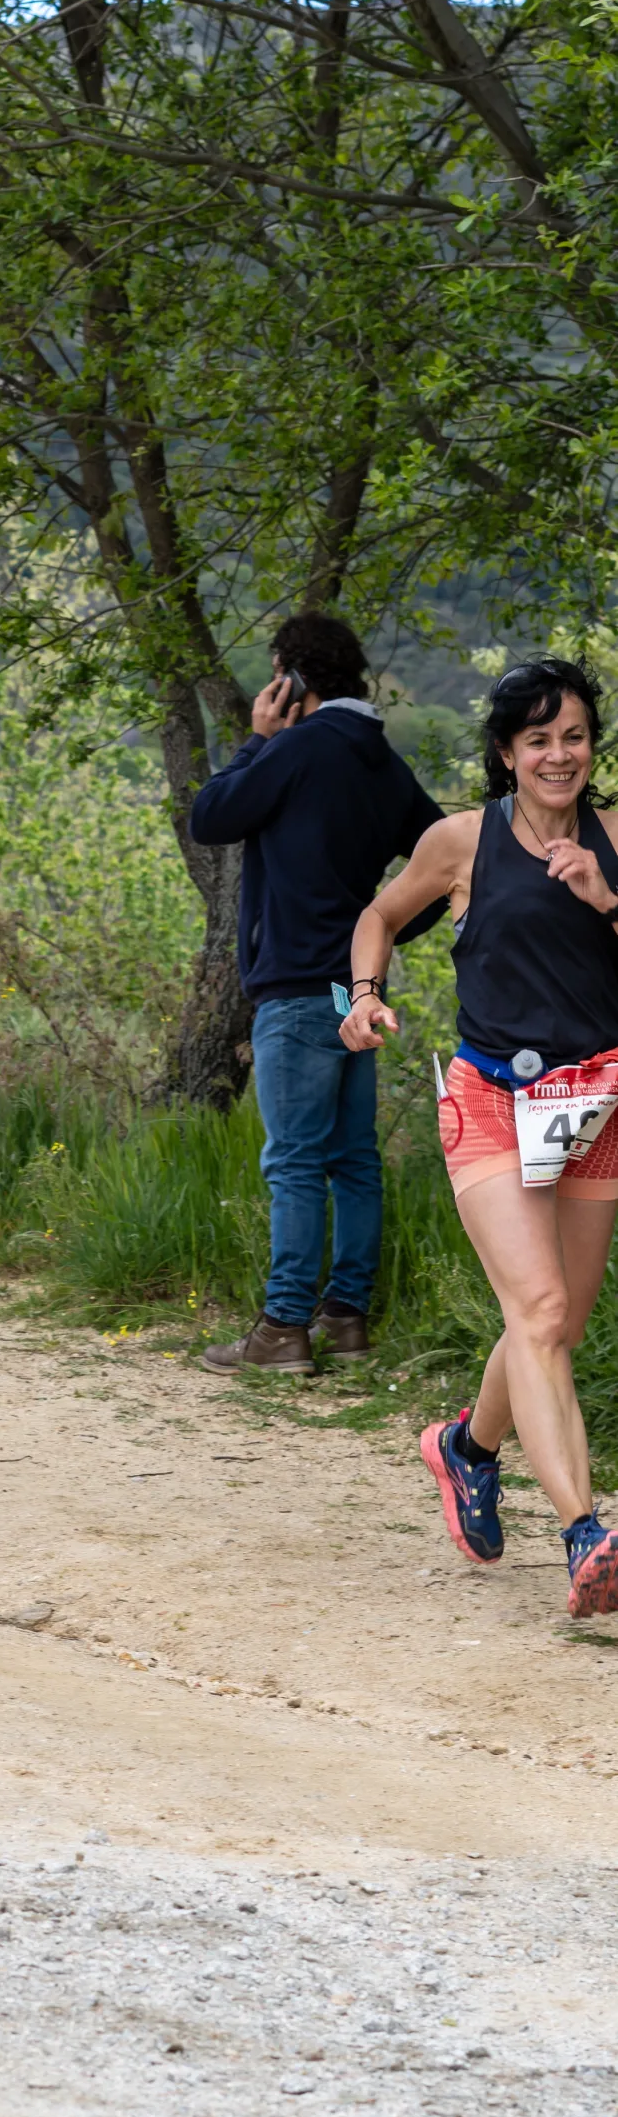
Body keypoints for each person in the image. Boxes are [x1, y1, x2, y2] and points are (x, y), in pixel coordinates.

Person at [341, 657, 618, 1615]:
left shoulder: (616, 838)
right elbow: (377, 915)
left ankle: (466, 1448)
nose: (558, 754)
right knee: (537, 1310)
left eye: (573, 735)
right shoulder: (461, 841)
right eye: (537, 738)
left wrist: (605, 900)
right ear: (505, 752)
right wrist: (365, 997)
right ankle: (586, 1530)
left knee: (554, 1324)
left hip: (594, 1107)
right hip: (491, 1099)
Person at [191, 611, 444, 1372]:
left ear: (291, 679)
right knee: (351, 1158)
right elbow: (443, 868)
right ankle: (345, 1319)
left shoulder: (295, 749)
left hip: (298, 990)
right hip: (350, 993)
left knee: (295, 1161)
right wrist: (383, 929)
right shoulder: (384, 766)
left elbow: (211, 816)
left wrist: (257, 737)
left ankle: (281, 1329)